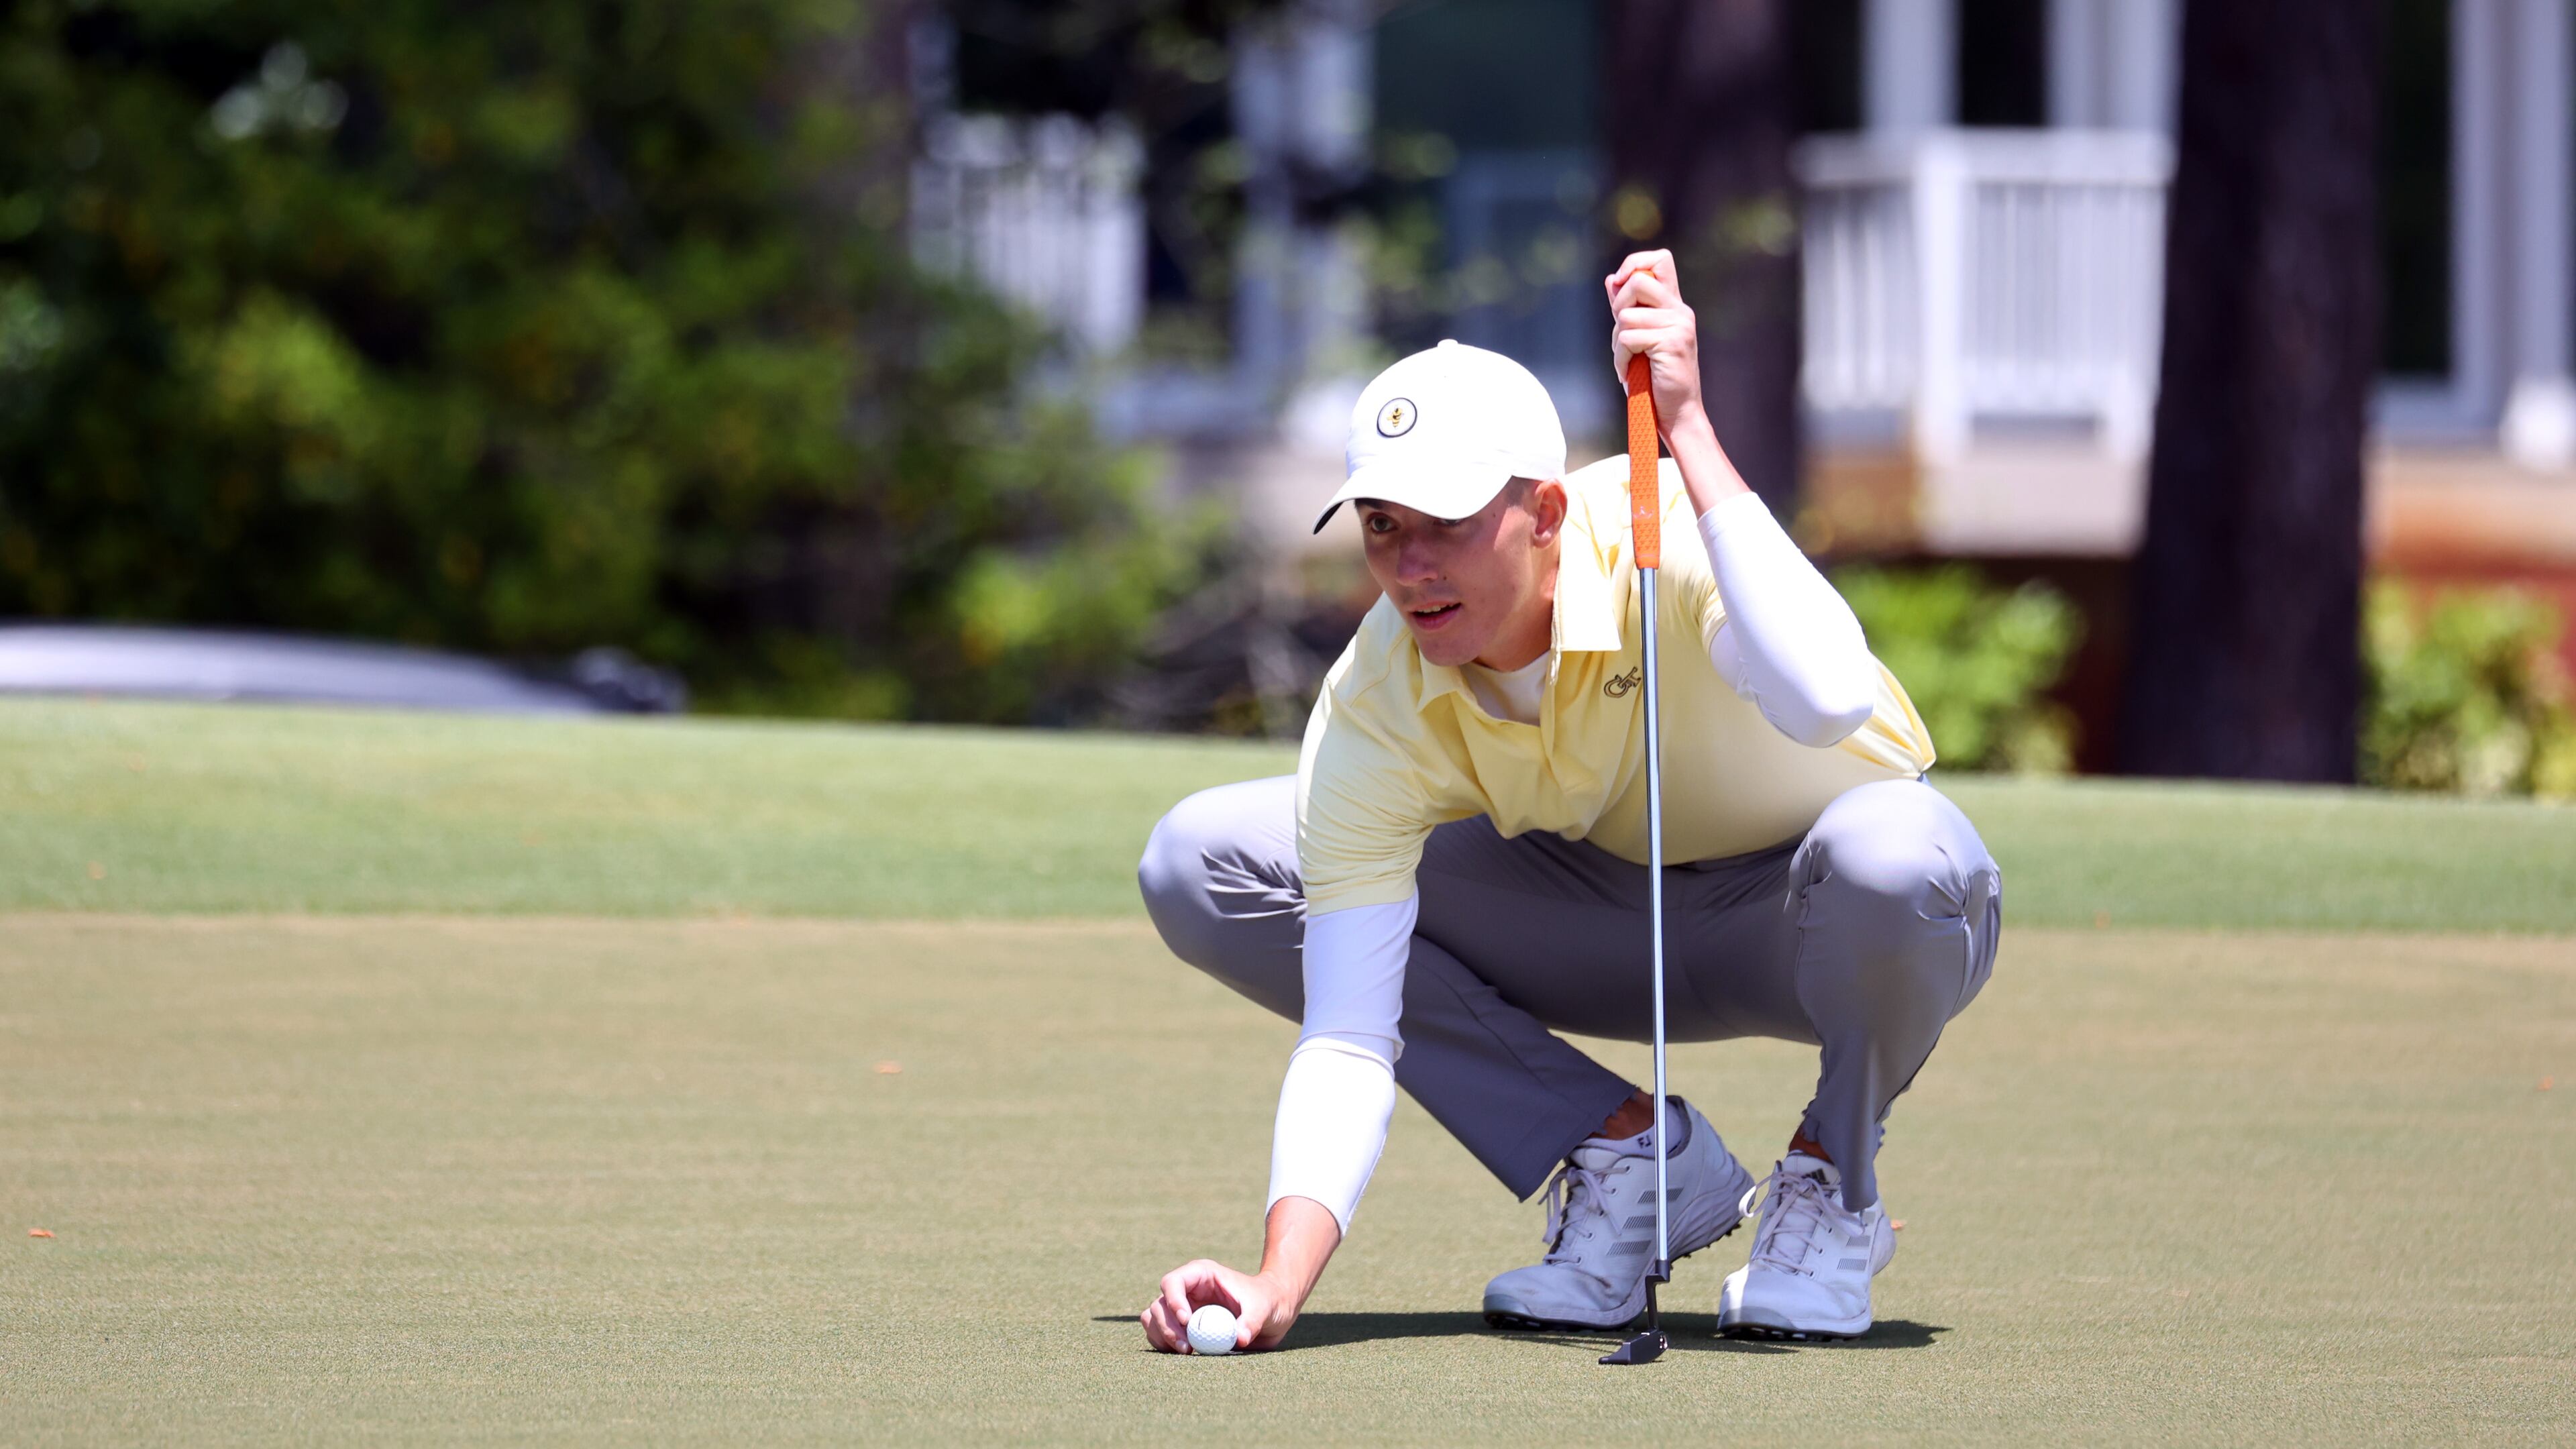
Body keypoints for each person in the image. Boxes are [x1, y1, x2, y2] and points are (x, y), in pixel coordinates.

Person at [1134, 250, 2001, 1353]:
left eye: (1446, 523)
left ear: (1545, 511)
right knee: (1204, 862)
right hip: (1600, 921)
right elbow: (1351, 1033)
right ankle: (1630, 1158)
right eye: (1383, 525)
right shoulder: (1378, 690)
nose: (1409, 567)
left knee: (1901, 853)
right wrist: (1279, 1282)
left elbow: (1828, 700)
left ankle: (1833, 1183)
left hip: (1822, 921)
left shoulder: (1670, 533)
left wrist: (1686, 428)